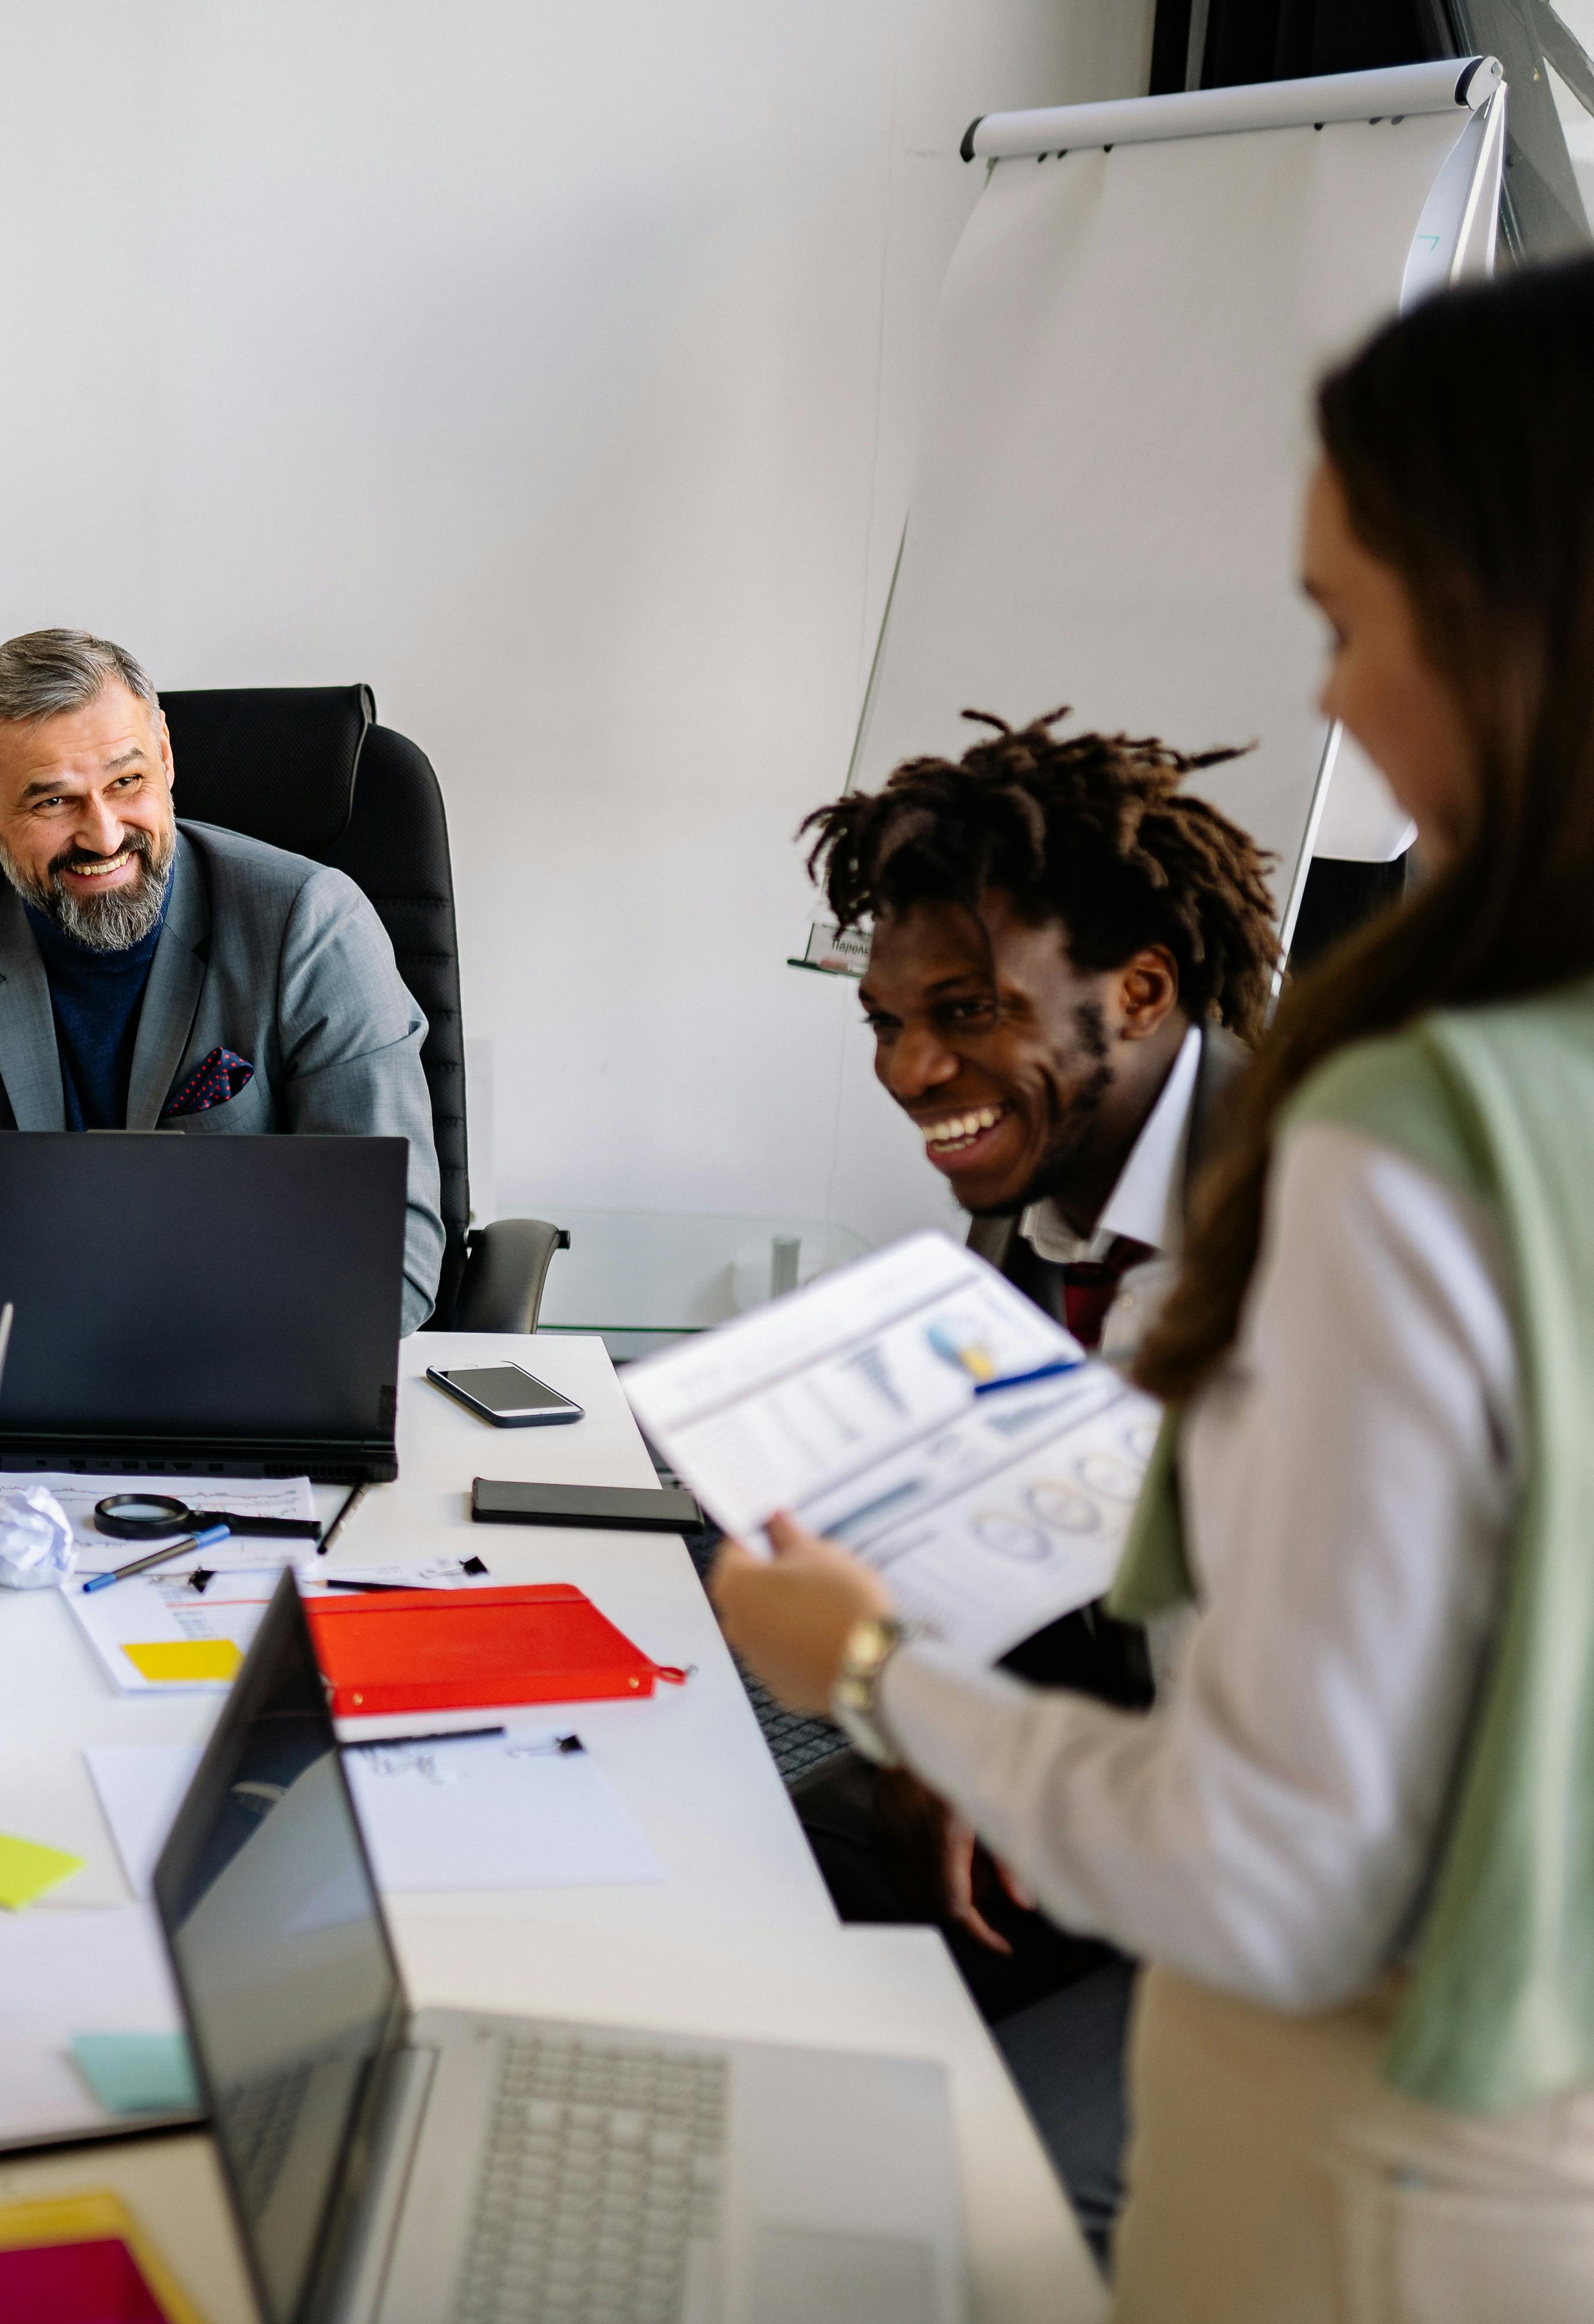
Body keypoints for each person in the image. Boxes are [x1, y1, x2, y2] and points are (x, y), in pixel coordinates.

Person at [716, 257, 1594, 2321]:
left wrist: (869, 1675)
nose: (1331, 704)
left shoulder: (1390, 1133)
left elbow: (1267, 1852)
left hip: (1370, 2112)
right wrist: (950, 1730)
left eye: (1346, 619)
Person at [786, 715, 1282, 2245]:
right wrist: (948, 1713)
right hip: (1121, 1775)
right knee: (733, 1876)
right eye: (883, 1019)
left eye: (965, 1011)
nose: (912, 1072)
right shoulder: (1045, 1197)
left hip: (1309, 1921)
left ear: (1140, 990)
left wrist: (949, 1722)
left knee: (971, 2204)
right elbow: (1027, 1526)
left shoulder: (1309, 1238)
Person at [0, 629, 449, 1331]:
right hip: (21, 1381)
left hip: (251, 1369)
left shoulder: (313, 927)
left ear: (164, 753)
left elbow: (388, 1261)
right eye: (53, 803)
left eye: (126, 782)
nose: (103, 835)